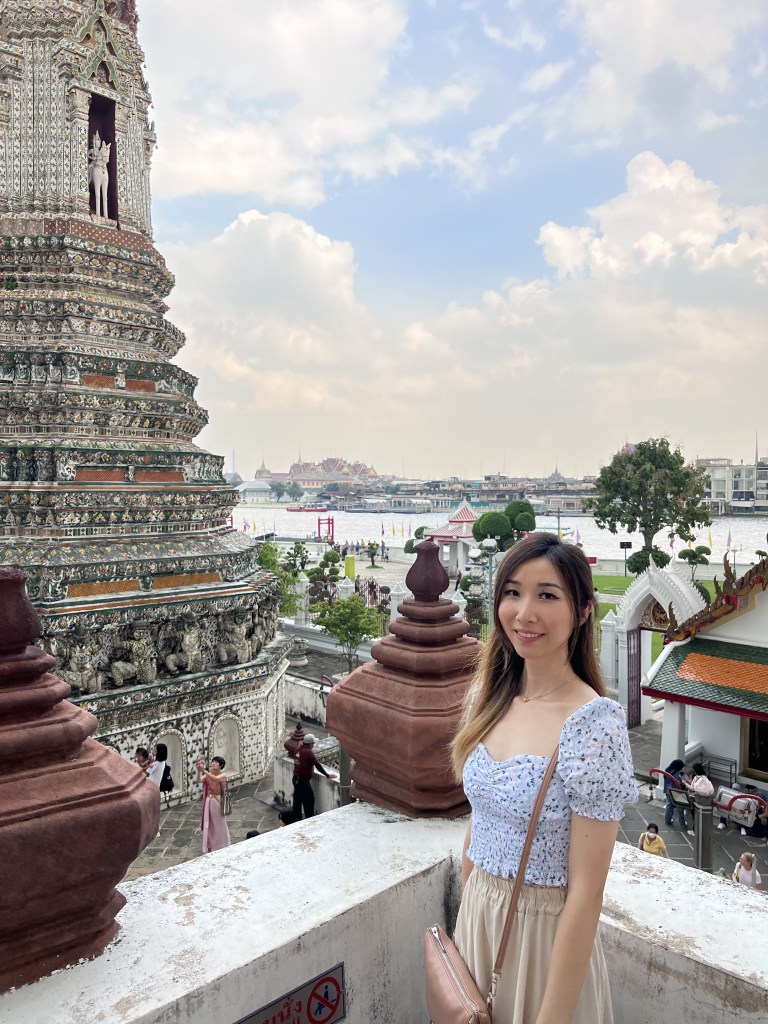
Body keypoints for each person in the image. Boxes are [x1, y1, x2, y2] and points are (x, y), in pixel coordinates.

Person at [451, 533, 638, 1024]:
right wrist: (465, 926)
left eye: (547, 595)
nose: (524, 612)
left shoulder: (592, 726)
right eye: (512, 592)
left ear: (582, 612)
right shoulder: (488, 701)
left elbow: (586, 894)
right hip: (477, 926)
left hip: (542, 940)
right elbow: (479, 825)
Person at [196, 755, 231, 853]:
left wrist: (204, 770)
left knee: (220, 823)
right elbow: (199, 780)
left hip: (217, 801)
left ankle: (223, 844)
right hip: (209, 801)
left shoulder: (223, 775)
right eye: (213, 762)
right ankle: (210, 845)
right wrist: (199, 771)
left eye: (216, 762)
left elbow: (215, 779)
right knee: (209, 824)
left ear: (221, 765)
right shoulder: (209, 774)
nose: (213, 763)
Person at [292, 734, 331, 819]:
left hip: (295, 779)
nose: (313, 746)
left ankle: (296, 819)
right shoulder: (309, 752)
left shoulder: (298, 749)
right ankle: (309, 819)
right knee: (308, 801)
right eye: (313, 744)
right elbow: (317, 765)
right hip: (303, 781)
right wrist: (327, 775)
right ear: (310, 744)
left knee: (297, 801)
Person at [683, 762, 713, 836]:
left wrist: (684, 783)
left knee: (696, 815)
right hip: (701, 799)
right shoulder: (702, 777)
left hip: (700, 800)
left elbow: (693, 788)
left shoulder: (701, 779)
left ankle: (695, 830)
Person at [663, 758, 687, 829]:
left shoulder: (667, 771)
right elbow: (680, 785)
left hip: (668, 791)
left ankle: (667, 820)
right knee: (680, 807)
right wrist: (684, 783)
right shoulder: (676, 775)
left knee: (669, 806)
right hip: (675, 793)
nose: (682, 769)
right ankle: (682, 823)